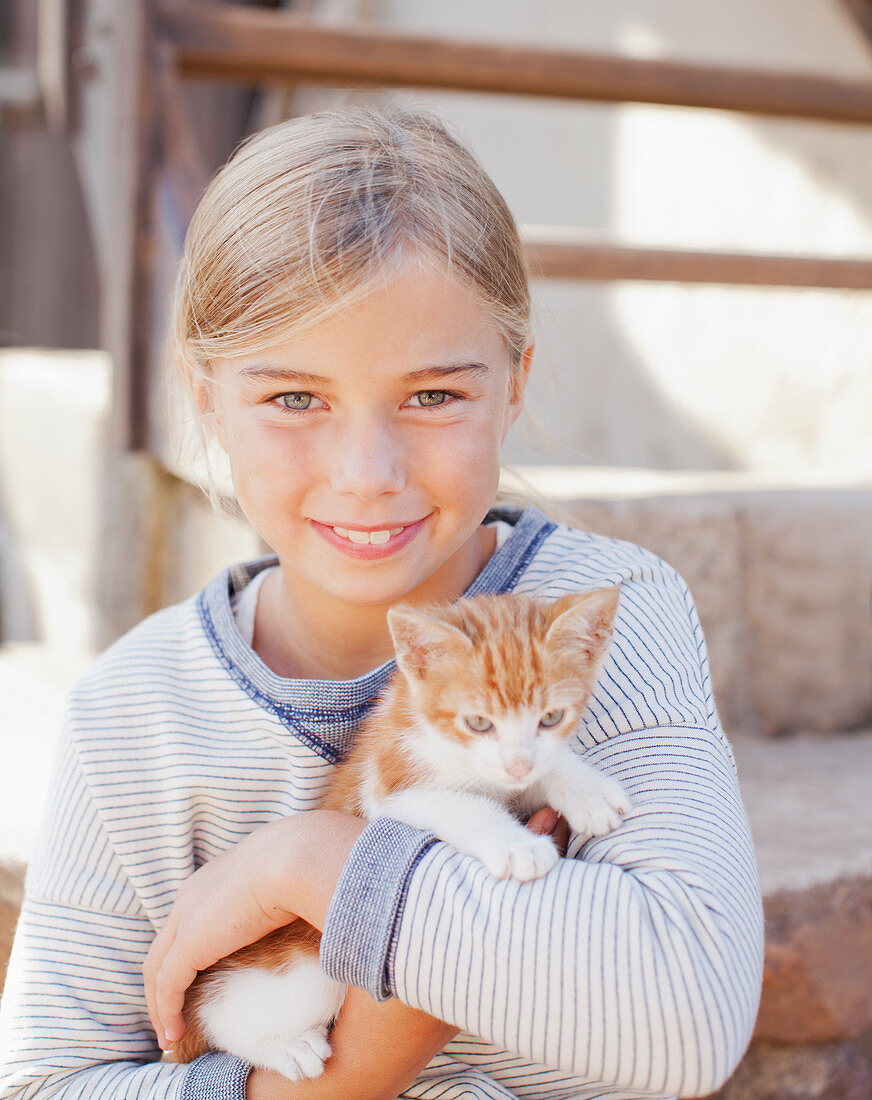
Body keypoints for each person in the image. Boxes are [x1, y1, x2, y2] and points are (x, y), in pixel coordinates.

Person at [0, 107, 763, 1100]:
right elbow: (45, 1080)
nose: (366, 474)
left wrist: (314, 860)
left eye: (433, 396)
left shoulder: (602, 623)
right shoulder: (134, 714)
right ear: (203, 395)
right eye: (293, 398)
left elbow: (688, 1014)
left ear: (514, 381)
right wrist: (337, 1073)